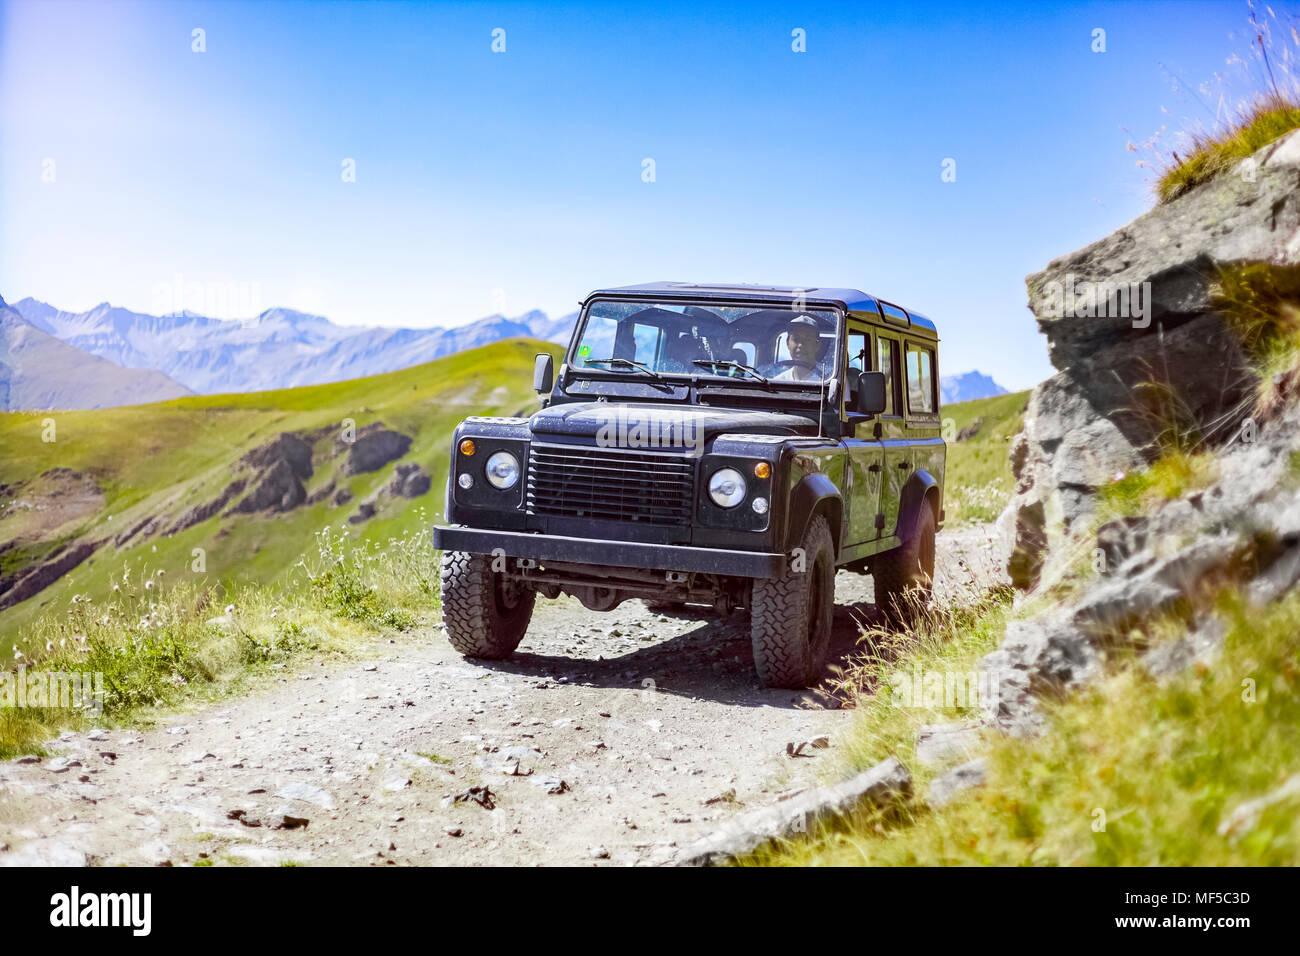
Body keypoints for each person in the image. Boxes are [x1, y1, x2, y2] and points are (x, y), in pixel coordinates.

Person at [767, 315, 826, 381]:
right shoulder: (778, 381)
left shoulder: (828, 378)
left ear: (817, 345)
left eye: (808, 339)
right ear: (787, 343)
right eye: (796, 339)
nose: (800, 345)